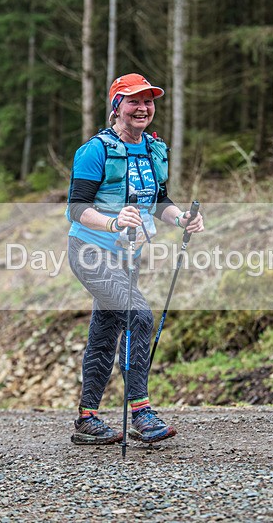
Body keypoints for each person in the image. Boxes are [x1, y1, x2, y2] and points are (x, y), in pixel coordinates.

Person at [65, 73, 204, 445]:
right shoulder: (95, 150)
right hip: (91, 252)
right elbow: (76, 208)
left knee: (106, 331)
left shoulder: (154, 149)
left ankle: (87, 419)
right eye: (133, 101)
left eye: (148, 101)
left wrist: (182, 219)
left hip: (128, 257)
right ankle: (142, 412)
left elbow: (159, 200)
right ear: (116, 107)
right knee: (139, 315)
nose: (142, 107)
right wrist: (112, 221)